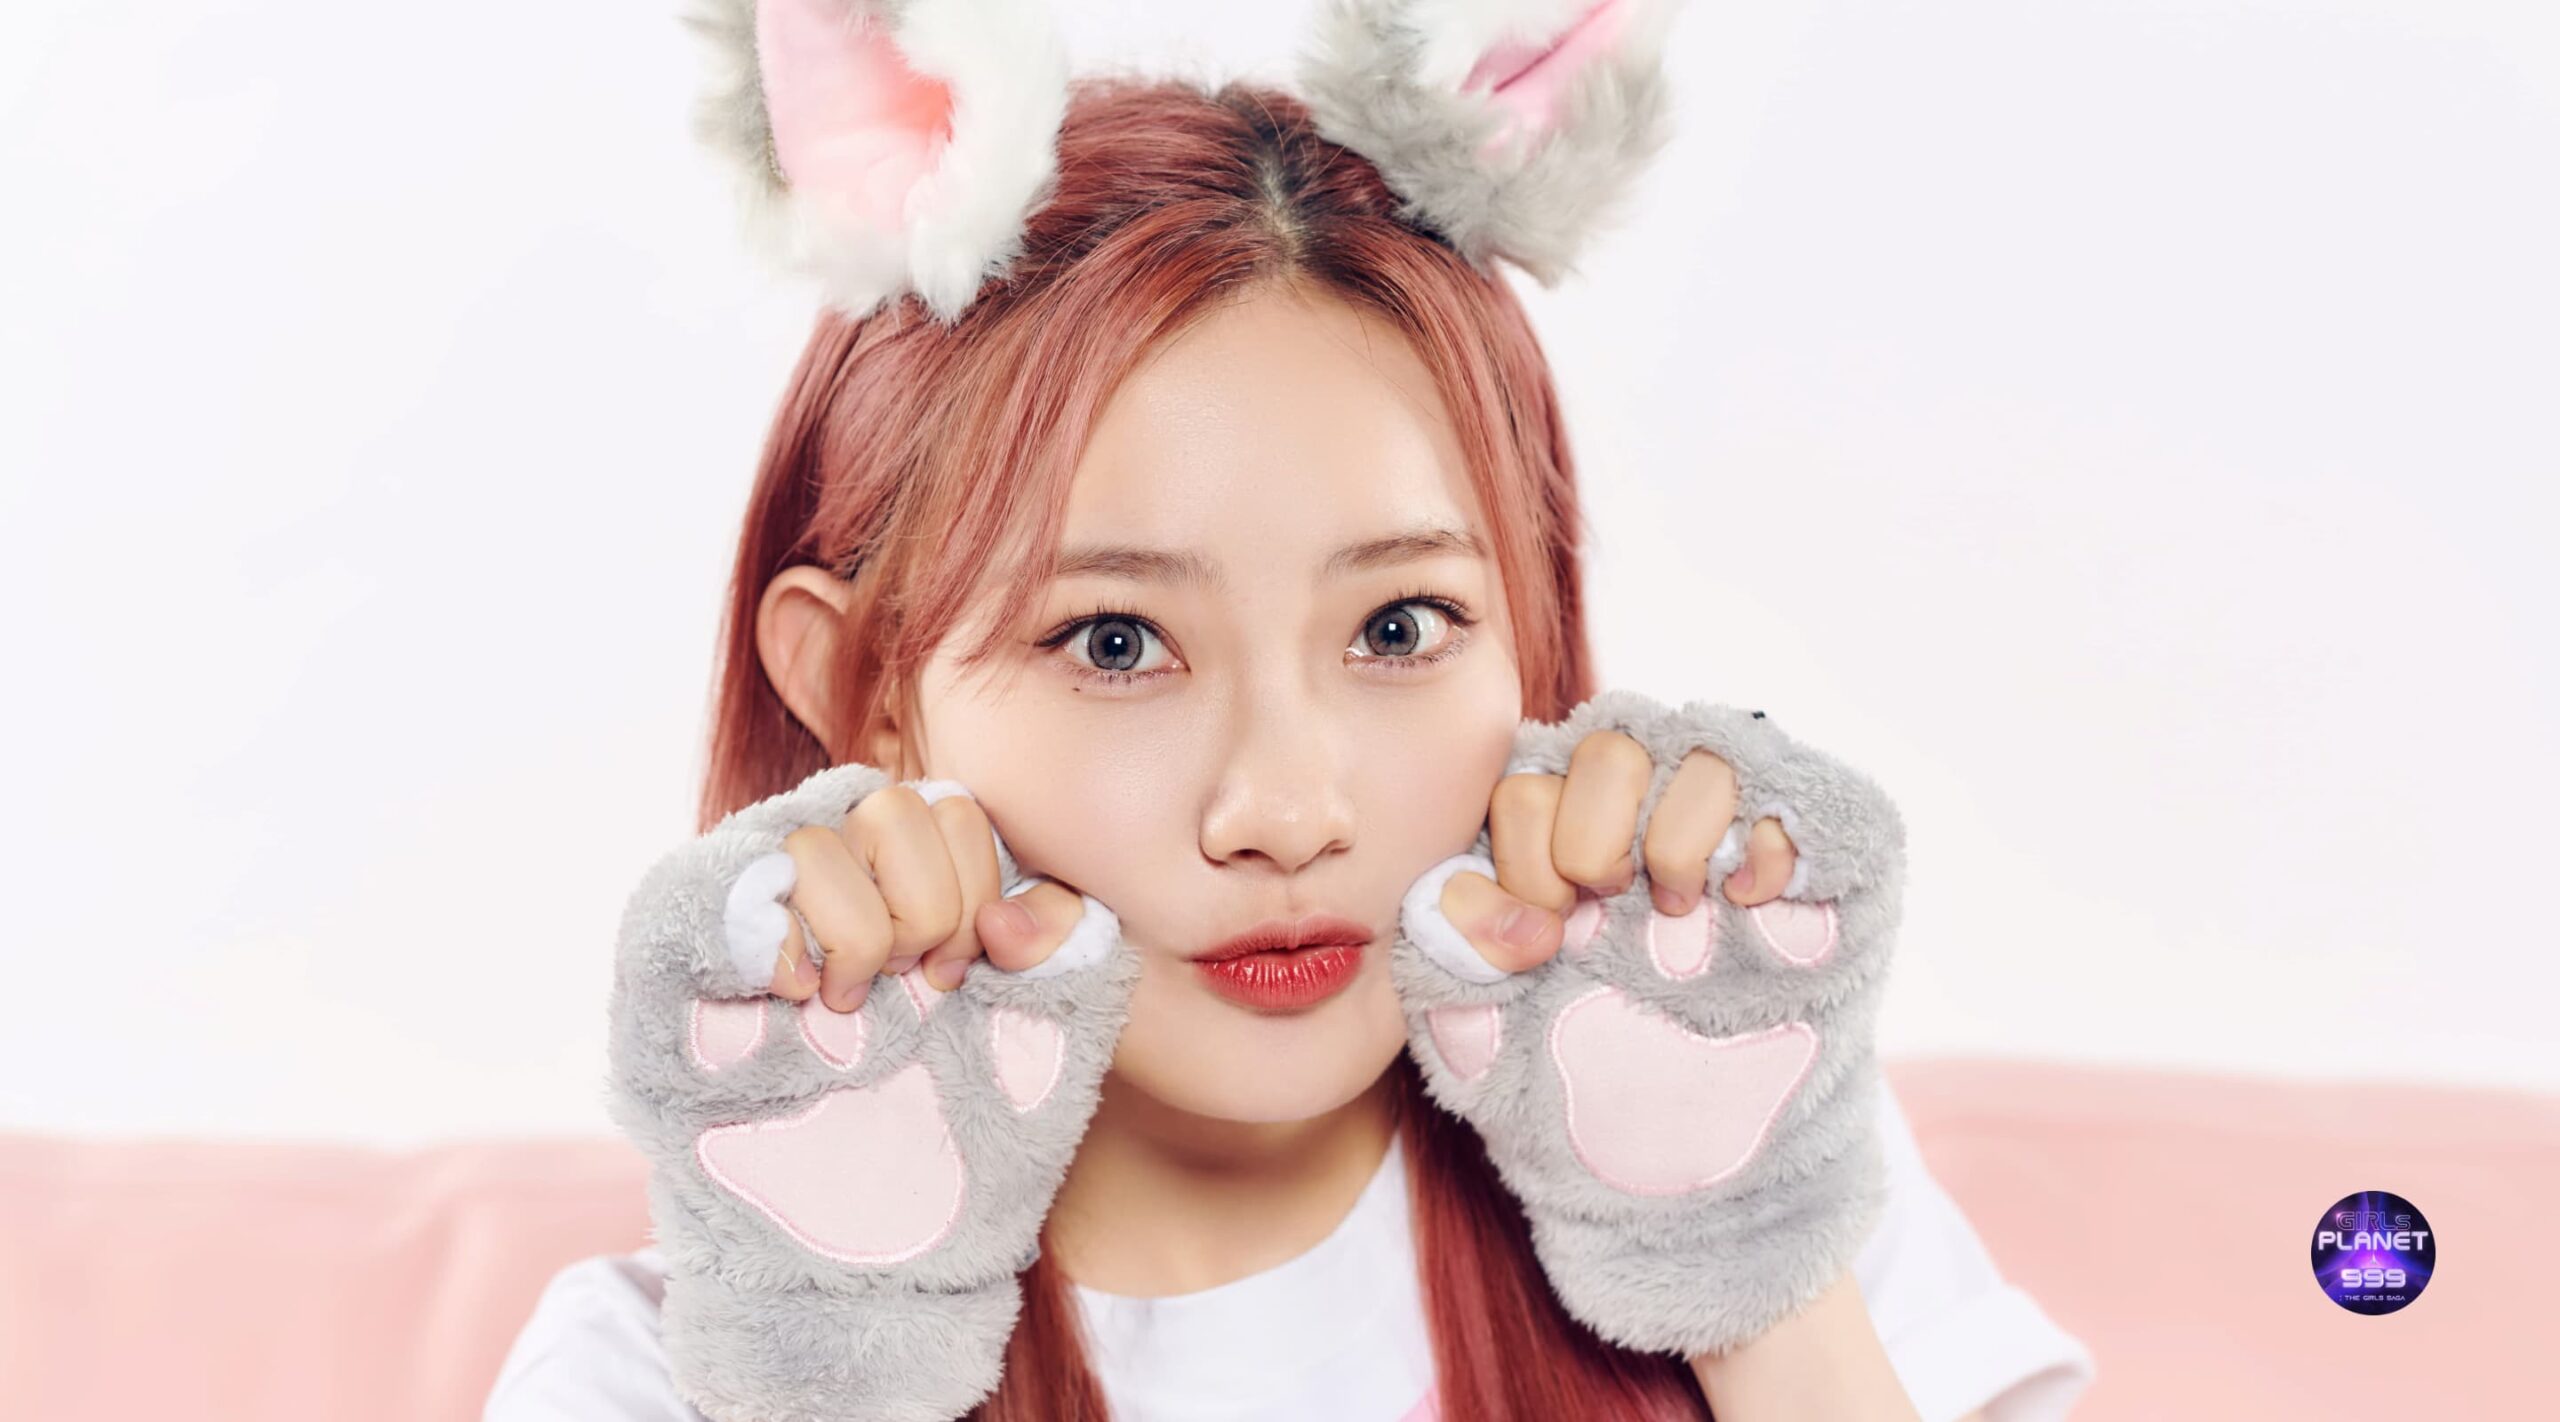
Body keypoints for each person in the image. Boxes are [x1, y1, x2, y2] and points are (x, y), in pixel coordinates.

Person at [490, 3, 2097, 1417]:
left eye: (1399, 626)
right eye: (1116, 642)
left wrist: (1742, 1267)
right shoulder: (662, 1369)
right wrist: (833, 1366)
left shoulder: (1754, 1128)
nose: (1285, 808)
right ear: (865, 689)